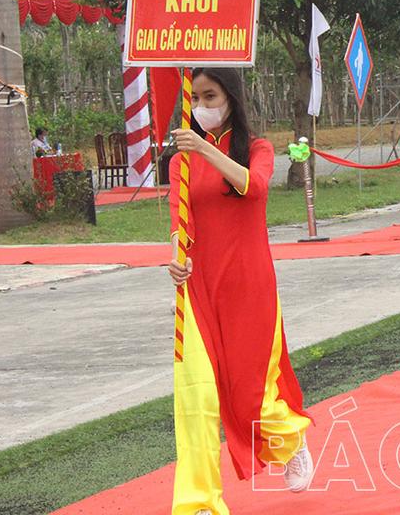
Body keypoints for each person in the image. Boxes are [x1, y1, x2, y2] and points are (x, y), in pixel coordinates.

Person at [167, 68, 314, 513]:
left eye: (209, 96)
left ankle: (290, 439)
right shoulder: (180, 162)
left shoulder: (257, 149)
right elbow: (179, 220)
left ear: (230, 97)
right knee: (196, 396)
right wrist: (178, 257)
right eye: (195, 97)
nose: (201, 106)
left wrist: (206, 153)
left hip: (248, 285)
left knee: (249, 396)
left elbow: (255, 187)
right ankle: (198, 505)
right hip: (198, 287)